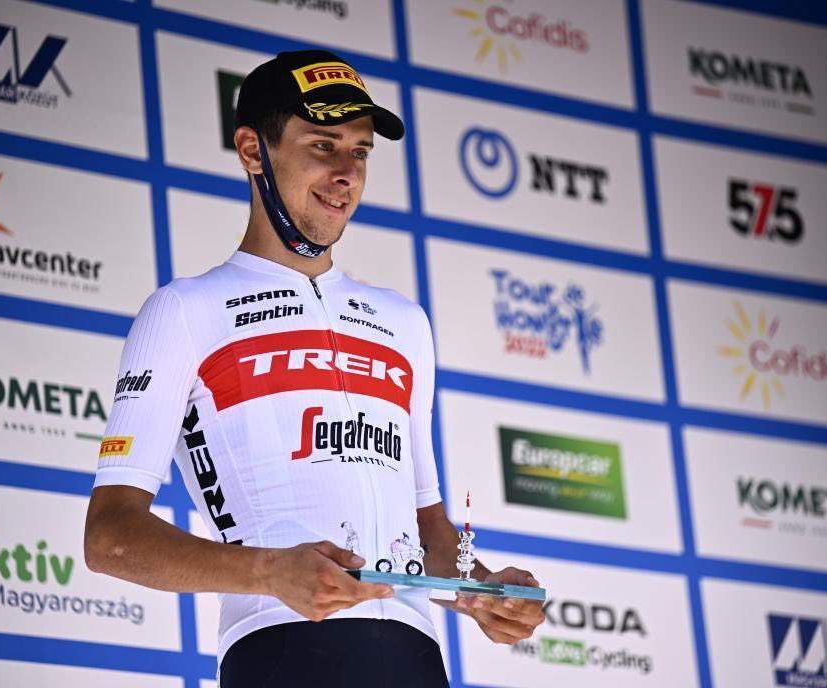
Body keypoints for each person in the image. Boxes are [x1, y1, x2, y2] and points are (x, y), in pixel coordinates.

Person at [84, 49, 544, 688]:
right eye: (323, 146)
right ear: (253, 150)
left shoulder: (404, 321)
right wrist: (269, 573)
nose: (345, 174)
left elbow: (426, 529)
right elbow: (110, 538)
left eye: (360, 152)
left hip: (415, 660)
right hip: (281, 651)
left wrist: (482, 590)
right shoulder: (186, 311)